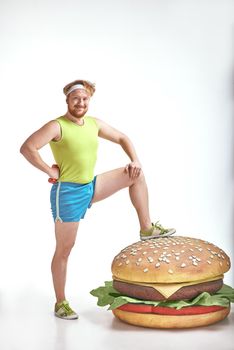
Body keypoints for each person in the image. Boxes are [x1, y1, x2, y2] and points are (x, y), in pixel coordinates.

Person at [20, 79, 175, 320]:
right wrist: (50, 171)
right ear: (67, 101)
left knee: (136, 174)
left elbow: (123, 137)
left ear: (88, 100)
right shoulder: (57, 126)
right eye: (76, 99)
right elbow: (28, 147)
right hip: (68, 194)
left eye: (84, 99)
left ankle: (146, 227)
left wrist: (135, 159)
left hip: (91, 186)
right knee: (64, 250)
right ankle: (60, 303)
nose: (80, 103)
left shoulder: (93, 124)